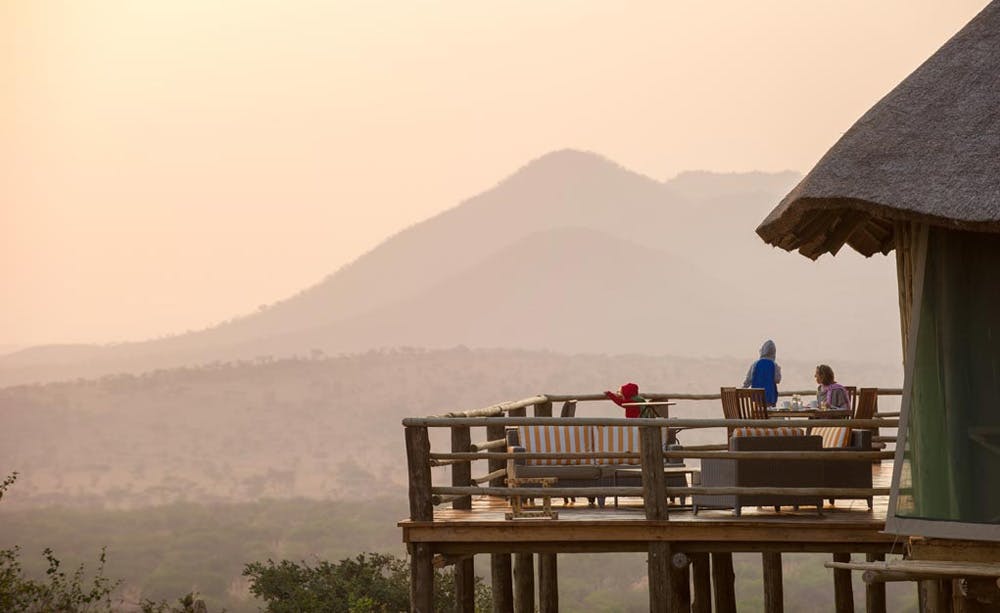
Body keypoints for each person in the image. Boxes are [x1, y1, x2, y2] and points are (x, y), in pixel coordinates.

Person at [742, 340, 782, 406]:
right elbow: (777, 380)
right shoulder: (774, 365)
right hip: (770, 400)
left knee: (757, 412)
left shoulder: (755, 364)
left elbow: (748, 380)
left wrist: (742, 390)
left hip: (756, 400)